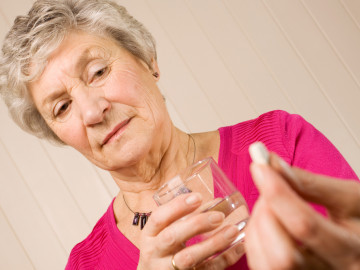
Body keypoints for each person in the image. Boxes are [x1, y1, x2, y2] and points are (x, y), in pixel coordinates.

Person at [0, 0, 357, 269]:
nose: (93, 112)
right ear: (59, 136)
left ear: (149, 60)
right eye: (62, 107)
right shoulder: (87, 265)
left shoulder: (277, 142)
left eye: (97, 71)